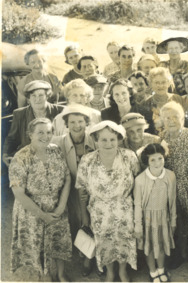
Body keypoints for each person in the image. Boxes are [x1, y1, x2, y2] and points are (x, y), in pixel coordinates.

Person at [76, 121, 140, 281]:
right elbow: (81, 189)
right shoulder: (87, 160)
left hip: (124, 209)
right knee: (105, 242)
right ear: (95, 140)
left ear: (119, 139)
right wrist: (84, 215)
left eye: (112, 139)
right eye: (103, 140)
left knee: (125, 241)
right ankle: (110, 272)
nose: (108, 143)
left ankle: (123, 271)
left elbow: (139, 183)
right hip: (99, 211)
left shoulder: (129, 156)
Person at [9, 118, 72, 281]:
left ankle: (60, 273)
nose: (46, 136)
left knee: (59, 242)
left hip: (57, 207)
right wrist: (43, 215)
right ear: (30, 135)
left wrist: (61, 206)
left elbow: (67, 178)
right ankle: (45, 276)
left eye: (49, 132)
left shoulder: (56, 150)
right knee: (38, 246)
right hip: (32, 212)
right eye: (40, 132)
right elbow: (19, 194)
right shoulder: (20, 158)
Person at [50, 105, 96, 277]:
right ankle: (79, 252)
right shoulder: (57, 142)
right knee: (73, 221)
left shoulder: (94, 140)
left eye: (81, 121)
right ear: (66, 124)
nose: (77, 125)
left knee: (90, 221)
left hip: (90, 190)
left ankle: (88, 259)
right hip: (68, 190)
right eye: (73, 122)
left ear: (86, 122)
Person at [159, 101, 188, 268]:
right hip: (170, 186)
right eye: (167, 118)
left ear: (183, 118)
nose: (171, 121)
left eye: (175, 117)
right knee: (177, 221)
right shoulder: (162, 137)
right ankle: (182, 252)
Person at [134, 143, 176, 283]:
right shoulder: (140, 180)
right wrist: (138, 226)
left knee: (163, 245)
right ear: (147, 161)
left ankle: (161, 269)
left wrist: (174, 220)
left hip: (164, 217)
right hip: (148, 218)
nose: (157, 163)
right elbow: (138, 205)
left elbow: (173, 201)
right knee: (150, 246)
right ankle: (153, 272)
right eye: (153, 160)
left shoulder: (170, 176)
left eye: (160, 158)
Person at [3, 80, 64, 166]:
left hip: (54, 157)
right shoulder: (19, 114)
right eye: (33, 96)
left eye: (41, 95)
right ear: (28, 99)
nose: (37, 99)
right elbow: (12, 138)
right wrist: (5, 154)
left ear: (47, 96)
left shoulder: (60, 111)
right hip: (28, 158)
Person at [138, 67, 188, 135]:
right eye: (157, 82)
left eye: (163, 82)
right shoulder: (145, 104)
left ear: (169, 83)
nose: (160, 86)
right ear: (151, 84)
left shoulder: (178, 100)